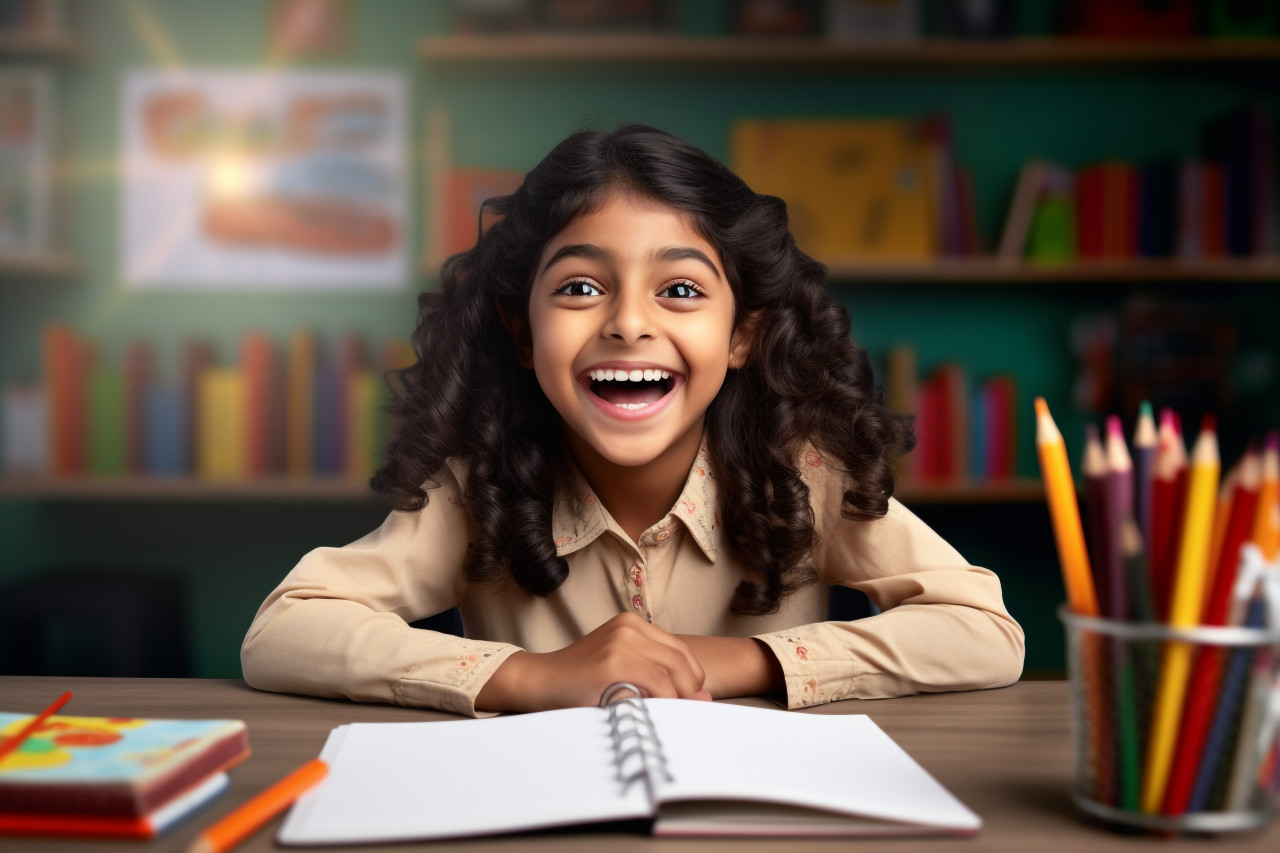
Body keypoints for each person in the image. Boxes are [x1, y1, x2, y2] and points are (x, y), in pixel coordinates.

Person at [241, 124, 1024, 716]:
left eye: (679, 290)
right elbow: (283, 629)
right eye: (581, 288)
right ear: (523, 333)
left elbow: (984, 630)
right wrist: (532, 676)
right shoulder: (477, 487)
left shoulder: (804, 474)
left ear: (742, 333)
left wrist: (732, 660)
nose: (628, 324)